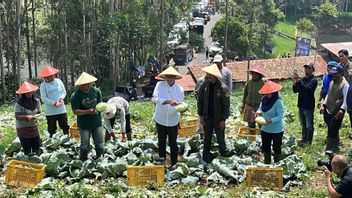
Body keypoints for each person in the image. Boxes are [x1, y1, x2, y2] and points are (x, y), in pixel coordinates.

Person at [197, 64, 231, 164]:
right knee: (207, 139)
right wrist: (201, 116)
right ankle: (205, 159)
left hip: (218, 119)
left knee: (221, 139)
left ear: (215, 75)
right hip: (207, 118)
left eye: (210, 75)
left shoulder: (222, 88)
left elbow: (226, 105)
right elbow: (200, 101)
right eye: (207, 74)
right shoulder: (204, 86)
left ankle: (224, 157)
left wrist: (224, 119)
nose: (208, 76)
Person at [153, 66, 184, 166]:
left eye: (172, 77)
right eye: (168, 77)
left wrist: (180, 106)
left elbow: (181, 103)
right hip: (161, 118)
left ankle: (174, 163)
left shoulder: (179, 89)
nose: (169, 79)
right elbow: (156, 99)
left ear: (175, 77)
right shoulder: (159, 85)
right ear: (165, 77)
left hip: (173, 120)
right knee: (161, 142)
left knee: (173, 143)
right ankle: (162, 162)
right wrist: (168, 101)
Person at [70, 72, 104, 161]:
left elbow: (100, 105)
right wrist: (88, 111)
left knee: (99, 143)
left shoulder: (97, 92)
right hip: (84, 125)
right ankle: (83, 160)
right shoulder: (75, 96)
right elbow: (75, 111)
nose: (87, 86)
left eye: (88, 84)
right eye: (84, 85)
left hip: (97, 123)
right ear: (80, 85)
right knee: (84, 145)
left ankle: (100, 159)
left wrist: (98, 110)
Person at [320, 65, 349, 152]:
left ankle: (329, 148)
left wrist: (342, 110)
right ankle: (336, 146)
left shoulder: (345, 84)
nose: (333, 75)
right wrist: (323, 104)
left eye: (335, 73)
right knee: (331, 127)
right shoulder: (332, 81)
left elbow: (345, 99)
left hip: (337, 111)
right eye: (332, 73)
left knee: (332, 129)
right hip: (328, 108)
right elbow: (328, 94)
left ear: (340, 74)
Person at [256, 81, 285, 164]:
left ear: (274, 93)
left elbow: (280, 116)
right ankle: (267, 162)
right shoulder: (264, 99)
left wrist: (271, 120)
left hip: (277, 129)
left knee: (276, 147)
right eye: (266, 93)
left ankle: (277, 163)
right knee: (266, 146)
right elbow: (261, 108)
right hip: (265, 128)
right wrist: (258, 112)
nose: (267, 95)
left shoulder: (278, 102)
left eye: (269, 93)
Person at [39, 66, 69, 137]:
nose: (51, 77)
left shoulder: (59, 81)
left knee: (64, 126)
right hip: (51, 112)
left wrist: (61, 99)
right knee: (52, 128)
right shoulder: (43, 85)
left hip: (61, 110)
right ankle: (52, 142)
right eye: (49, 76)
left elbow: (64, 92)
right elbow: (43, 98)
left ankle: (67, 139)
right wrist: (54, 103)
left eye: (52, 75)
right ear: (45, 77)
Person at [292, 63, 318, 146]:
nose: (306, 70)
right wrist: (295, 82)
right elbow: (295, 90)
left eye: (308, 68)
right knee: (303, 123)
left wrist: (299, 82)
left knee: (309, 125)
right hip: (301, 104)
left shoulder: (313, 80)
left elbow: (307, 91)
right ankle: (304, 138)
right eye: (305, 68)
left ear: (312, 70)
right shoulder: (303, 79)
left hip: (308, 105)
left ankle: (308, 141)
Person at [15, 81, 42, 155]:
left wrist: (36, 116)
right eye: (26, 93)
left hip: (34, 127)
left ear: (33, 92)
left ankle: (37, 161)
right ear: (23, 93)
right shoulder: (19, 103)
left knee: (36, 146)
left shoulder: (37, 101)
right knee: (27, 148)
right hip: (23, 128)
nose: (29, 94)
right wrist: (27, 117)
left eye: (30, 92)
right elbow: (17, 116)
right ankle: (28, 161)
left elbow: (39, 112)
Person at [339, 49, 352, 128]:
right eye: (340, 56)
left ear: (347, 56)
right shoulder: (338, 66)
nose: (341, 58)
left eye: (342, 56)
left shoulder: (351, 65)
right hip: (341, 92)